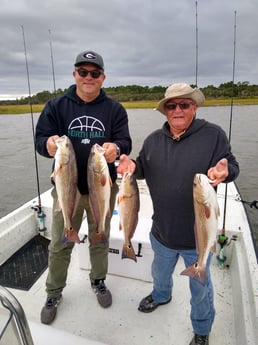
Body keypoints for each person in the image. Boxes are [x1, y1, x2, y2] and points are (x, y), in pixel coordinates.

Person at [117, 82, 239, 345]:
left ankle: (202, 330)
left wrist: (225, 171)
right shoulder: (152, 141)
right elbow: (139, 170)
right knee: (159, 274)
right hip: (161, 233)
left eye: (184, 104)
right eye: (171, 105)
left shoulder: (213, 135)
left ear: (194, 107)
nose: (178, 110)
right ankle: (161, 296)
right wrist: (129, 165)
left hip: (198, 242)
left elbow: (231, 164)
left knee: (201, 291)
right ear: (165, 111)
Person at [35, 50, 132, 324]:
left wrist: (117, 148)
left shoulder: (115, 110)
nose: (88, 77)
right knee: (60, 242)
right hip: (66, 189)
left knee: (100, 237)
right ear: (74, 74)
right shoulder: (56, 106)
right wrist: (49, 145)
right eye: (83, 71)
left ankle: (98, 280)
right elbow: (40, 140)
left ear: (103, 77)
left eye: (95, 73)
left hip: (102, 188)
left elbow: (125, 141)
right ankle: (53, 293)